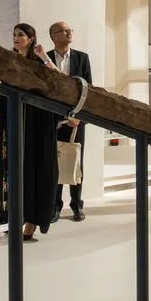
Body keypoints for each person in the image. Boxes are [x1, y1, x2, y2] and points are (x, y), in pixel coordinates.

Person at [0, 24, 61, 239]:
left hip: (37, 121)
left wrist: (44, 57)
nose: (16, 38)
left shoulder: (39, 61)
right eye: (14, 35)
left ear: (31, 39)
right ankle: (17, 218)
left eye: (20, 35)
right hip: (14, 117)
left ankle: (32, 221)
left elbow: (60, 80)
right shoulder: (11, 60)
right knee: (15, 170)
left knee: (34, 169)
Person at [48, 21, 93, 222]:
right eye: (63, 31)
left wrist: (80, 118)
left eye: (69, 30)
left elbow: (88, 90)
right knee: (54, 162)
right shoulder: (44, 59)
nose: (68, 33)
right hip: (52, 120)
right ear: (53, 36)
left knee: (76, 162)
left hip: (75, 120)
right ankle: (55, 207)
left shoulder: (81, 58)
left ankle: (77, 206)